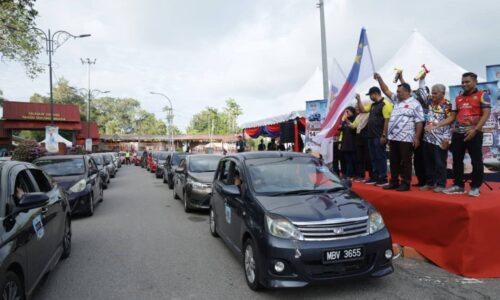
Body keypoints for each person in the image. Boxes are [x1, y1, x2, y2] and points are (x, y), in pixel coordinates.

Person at [374, 72, 424, 192]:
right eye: (397, 92)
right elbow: (385, 90)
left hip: (406, 138)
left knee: (405, 161)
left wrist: (416, 138)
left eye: (399, 92)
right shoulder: (397, 101)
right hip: (394, 137)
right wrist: (379, 79)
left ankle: (406, 183)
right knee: (394, 161)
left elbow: (419, 122)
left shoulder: (415, 104)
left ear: (407, 92)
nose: (397, 93)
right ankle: (394, 181)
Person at [444, 72, 492, 197]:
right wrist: (437, 125)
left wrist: (475, 129)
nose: (464, 84)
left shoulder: (483, 95)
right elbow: (452, 117)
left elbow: (486, 114)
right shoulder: (457, 98)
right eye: (463, 82)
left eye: (467, 82)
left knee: (476, 161)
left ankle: (475, 186)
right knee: (457, 160)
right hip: (458, 133)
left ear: (475, 82)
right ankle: (458, 185)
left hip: (475, 132)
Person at [417, 78, 454, 192]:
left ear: (443, 93)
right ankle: (430, 183)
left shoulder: (447, 105)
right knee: (428, 162)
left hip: (440, 139)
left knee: (440, 163)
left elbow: (451, 121)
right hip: (427, 138)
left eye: (435, 93)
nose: (432, 95)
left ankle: (441, 184)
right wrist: (422, 79)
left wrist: (446, 139)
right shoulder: (430, 102)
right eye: (432, 93)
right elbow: (422, 91)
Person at [356, 87, 393, 186]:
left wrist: (384, 135)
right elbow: (362, 110)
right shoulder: (373, 105)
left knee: (380, 157)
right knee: (373, 157)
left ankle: (383, 178)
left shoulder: (385, 104)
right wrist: (359, 99)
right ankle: (375, 176)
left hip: (379, 135)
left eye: (371, 95)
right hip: (371, 135)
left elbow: (387, 120)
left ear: (375, 93)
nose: (370, 97)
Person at [351, 101, 372, 182]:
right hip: (359, 137)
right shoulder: (358, 116)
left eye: (358, 106)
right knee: (359, 158)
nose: (357, 108)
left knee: (368, 158)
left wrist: (359, 99)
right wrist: (345, 119)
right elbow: (353, 126)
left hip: (367, 137)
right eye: (356, 106)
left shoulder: (369, 115)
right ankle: (361, 175)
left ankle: (372, 176)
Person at [339, 106, 358, 179]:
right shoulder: (344, 121)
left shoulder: (355, 119)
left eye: (348, 111)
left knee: (353, 159)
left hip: (353, 142)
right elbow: (341, 129)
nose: (346, 113)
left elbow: (353, 127)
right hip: (345, 142)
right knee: (347, 159)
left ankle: (353, 174)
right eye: (345, 111)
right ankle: (348, 173)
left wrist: (346, 119)